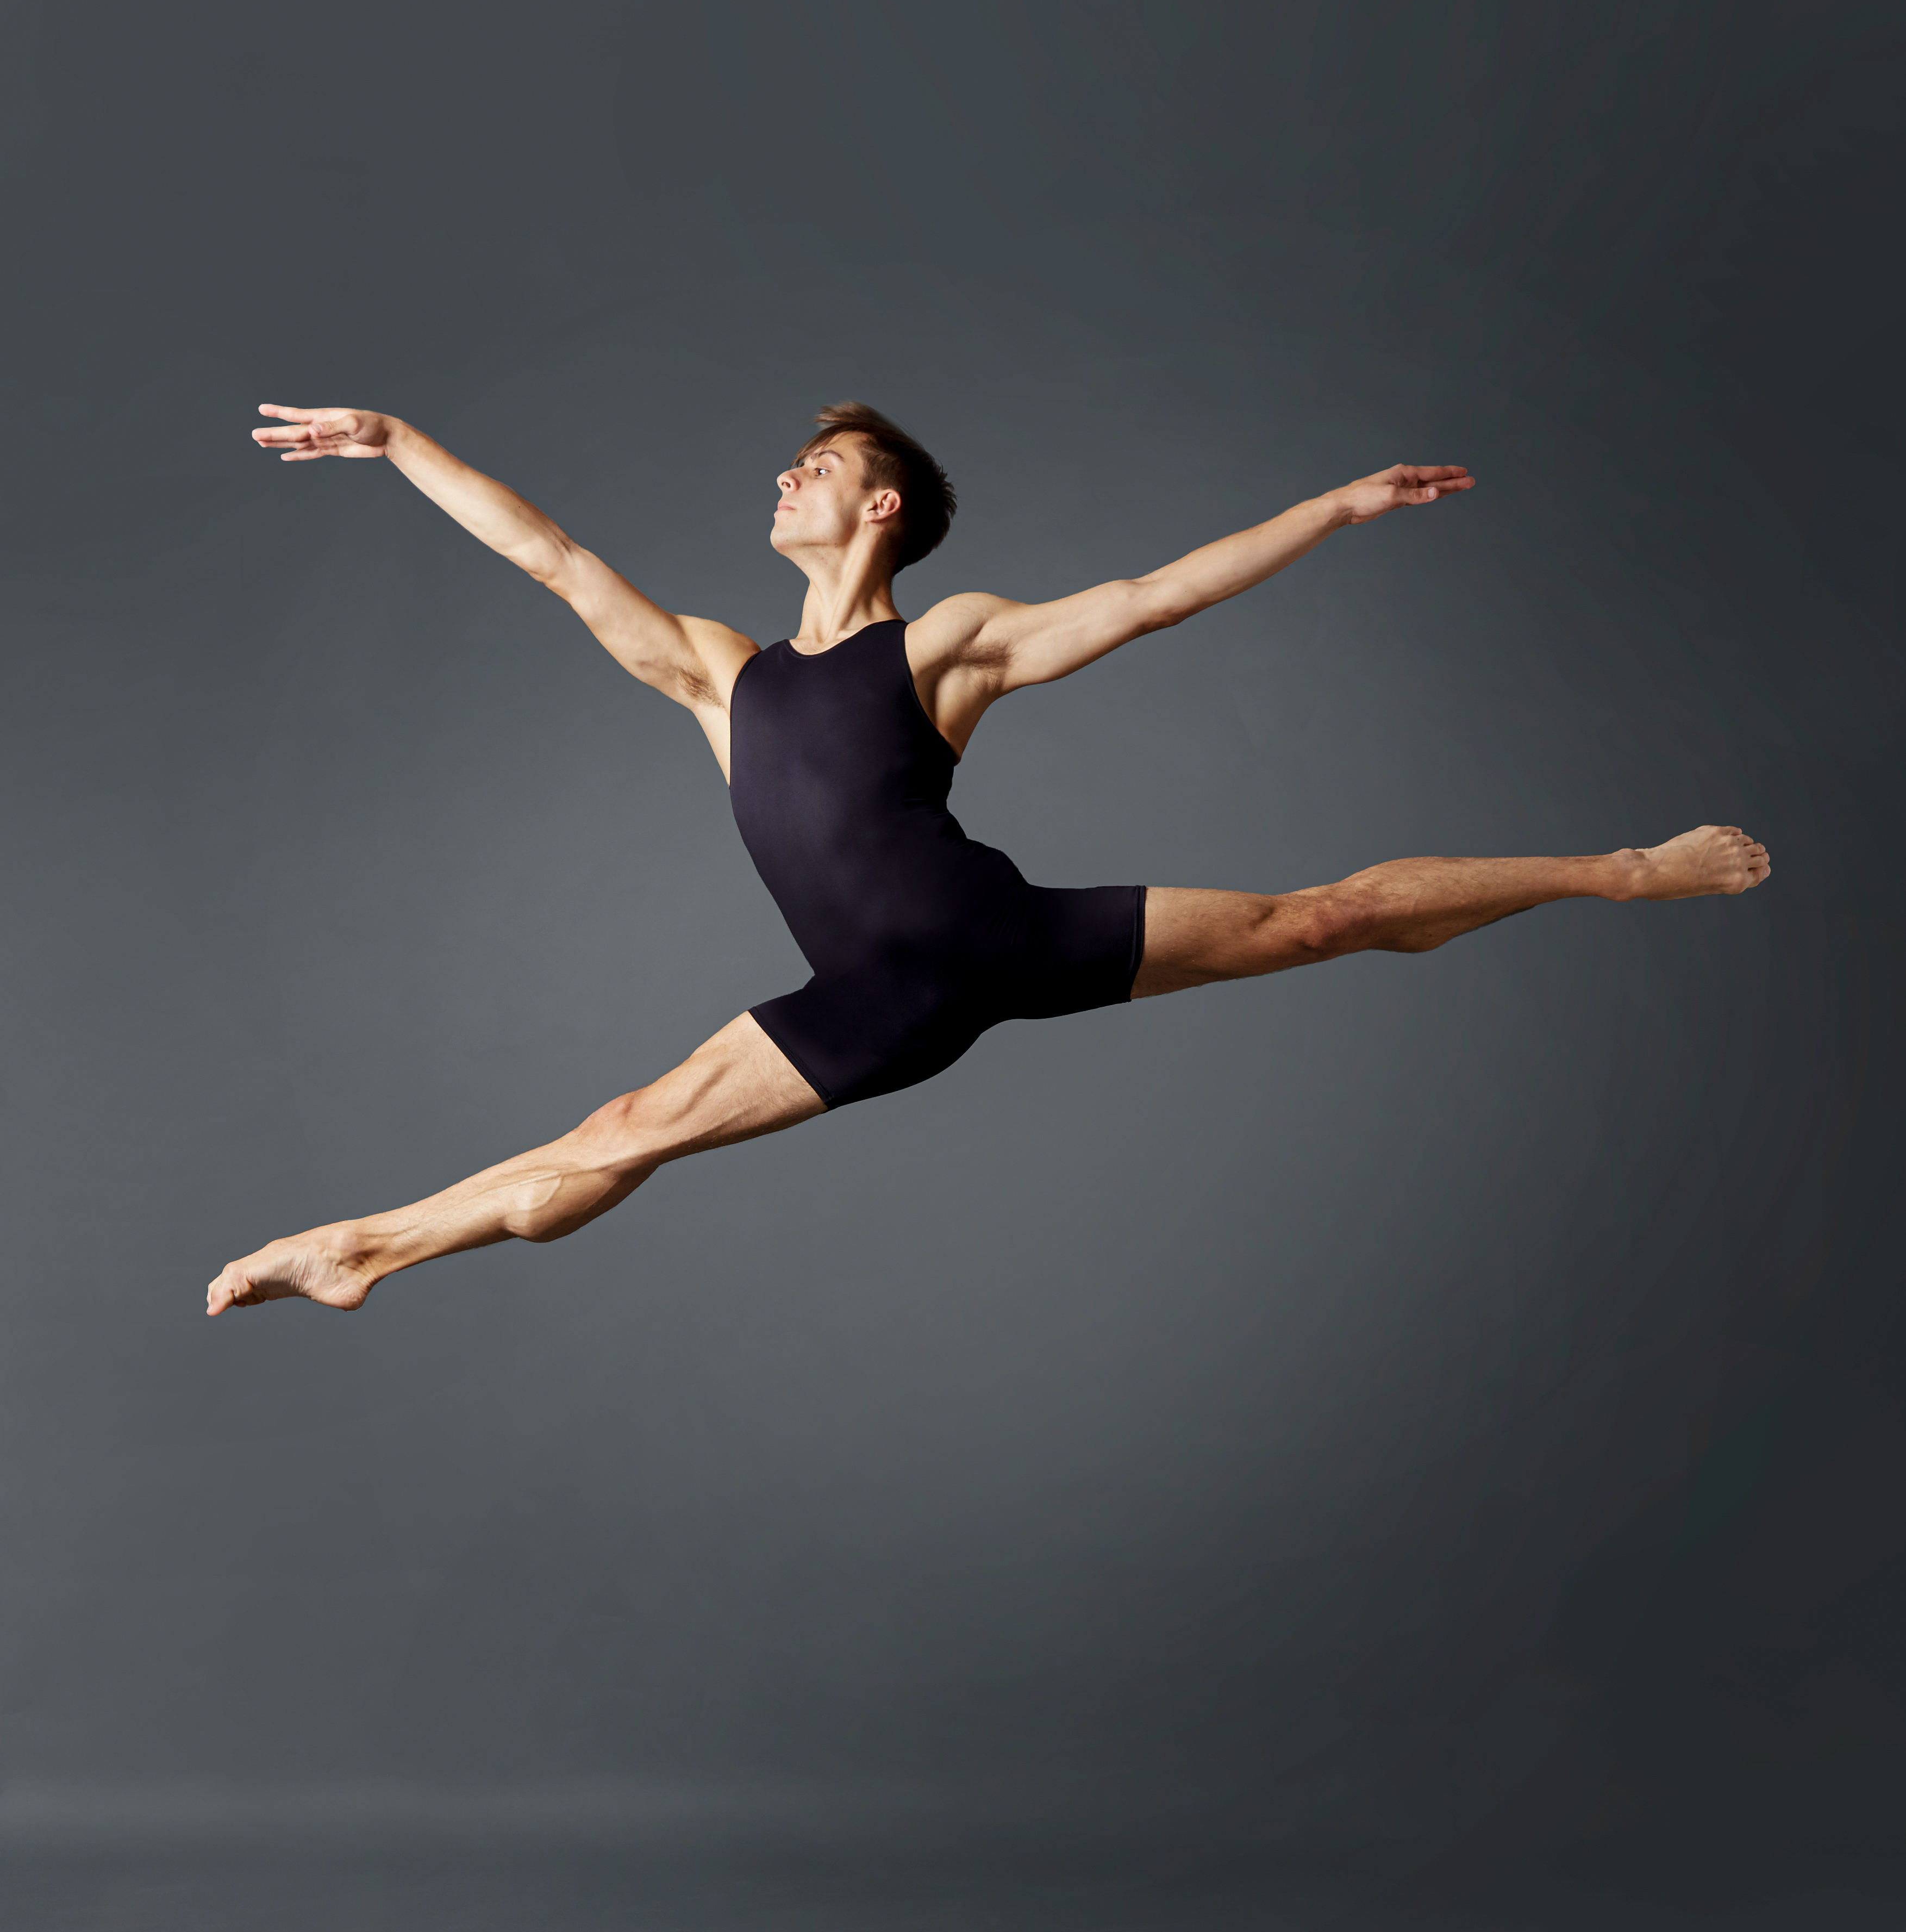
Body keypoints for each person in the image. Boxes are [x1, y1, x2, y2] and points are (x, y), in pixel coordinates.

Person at [207, 401, 1769, 1316]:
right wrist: (399, 441)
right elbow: (549, 558)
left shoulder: (942, 646)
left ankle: (1622, 868)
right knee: (616, 1142)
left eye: (809, 467)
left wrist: (1337, 505)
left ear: (877, 504)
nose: (780, 478)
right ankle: (369, 1245)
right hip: (878, 997)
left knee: (1330, 917)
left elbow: (1150, 597)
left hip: (998, 929)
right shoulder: (715, 671)